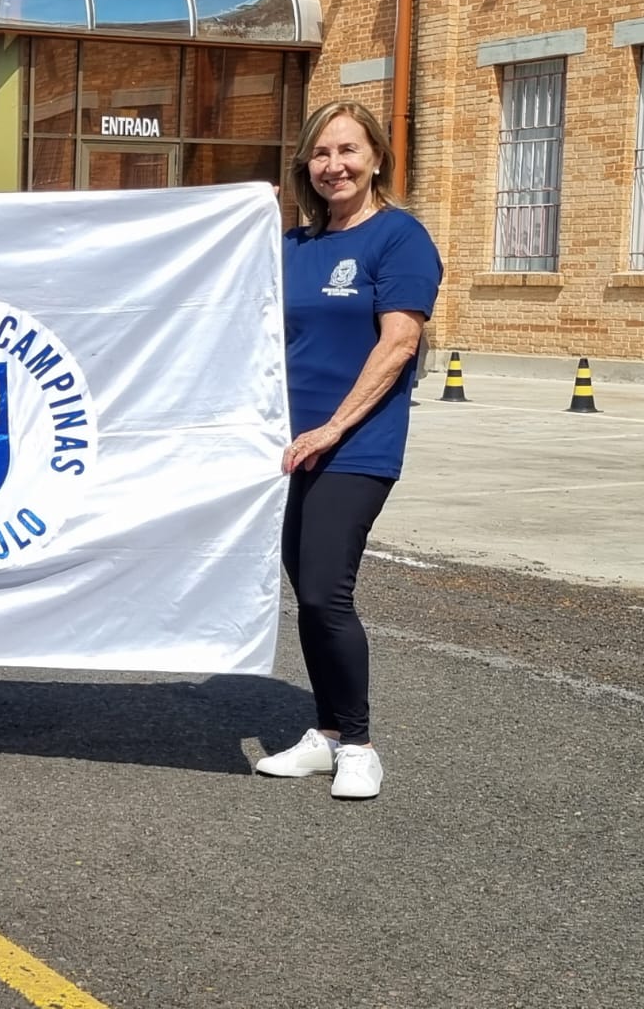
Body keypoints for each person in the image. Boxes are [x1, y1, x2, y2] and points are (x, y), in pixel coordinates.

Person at [255, 100, 442, 800]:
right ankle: (326, 733)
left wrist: (333, 427)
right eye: (321, 154)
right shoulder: (295, 247)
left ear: (376, 159)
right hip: (288, 446)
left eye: (348, 151)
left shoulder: (400, 238)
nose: (334, 165)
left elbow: (399, 342)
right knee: (307, 592)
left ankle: (359, 744)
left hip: (355, 444)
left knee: (328, 589)